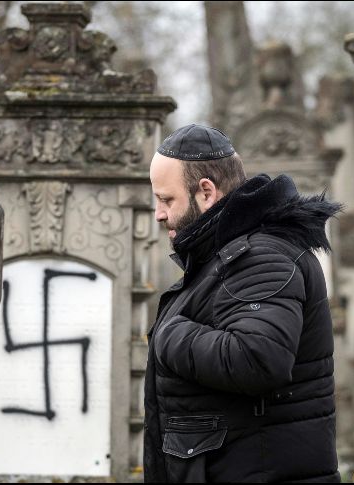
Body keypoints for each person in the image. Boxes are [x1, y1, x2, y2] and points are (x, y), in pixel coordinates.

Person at [144, 124, 341, 483]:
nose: (158, 213)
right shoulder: (225, 256)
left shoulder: (262, 257)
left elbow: (257, 358)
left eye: (166, 199)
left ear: (206, 191)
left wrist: (169, 334)